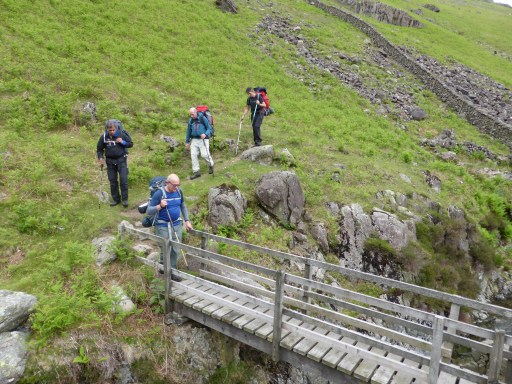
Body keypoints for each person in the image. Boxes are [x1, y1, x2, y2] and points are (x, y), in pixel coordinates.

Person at [146, 173, 193, 281]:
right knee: (166, 248)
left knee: (176, 248)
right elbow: (149, 210)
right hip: (162, 225)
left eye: (178, 185)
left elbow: (183, 206)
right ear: (168, 183)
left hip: (176, 224)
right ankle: (165, 268)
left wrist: (187, 220)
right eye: (174, 185)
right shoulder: (159, 194)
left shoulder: (178, 192)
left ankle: (172, 270)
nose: (176, 187)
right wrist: (160, 206)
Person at [96, 119, 133, 207]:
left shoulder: (121, 134)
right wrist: (100, 157)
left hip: (121, 160)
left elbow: (130, 144)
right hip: (110, 162)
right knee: (112, 181)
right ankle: (116, 200)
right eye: (110, 130)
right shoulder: (104, 137)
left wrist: (122, 142)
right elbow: (99, 149)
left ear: (116, 128)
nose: (112, 132)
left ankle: (125, 200)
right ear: (107, 129)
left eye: (113, 130)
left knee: (123, 180)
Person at [185, 107, 214, 180]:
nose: (191, 116)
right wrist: (187, 142)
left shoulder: (202, 118)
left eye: (192, 114)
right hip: (194, 139)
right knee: (193, 155)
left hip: (203, 139)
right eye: (190, 114)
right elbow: (188, 131)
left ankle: (211, 165)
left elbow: (209, 128)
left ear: (196, 112)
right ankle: (196, 172)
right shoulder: (190, 120)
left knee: (204, 154)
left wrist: (205, 134)